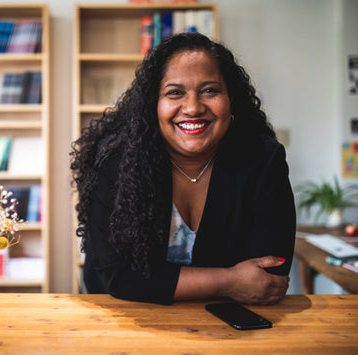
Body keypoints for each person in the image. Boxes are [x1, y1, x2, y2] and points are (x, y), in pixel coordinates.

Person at [70, 32, 296, 306]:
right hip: (123, 315)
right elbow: (119, 277)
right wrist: (229, 280)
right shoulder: (118, 161)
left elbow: (269, 275)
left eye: (210, 90)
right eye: (175, 93)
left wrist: (163, 282)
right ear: (152, 104)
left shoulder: (262, 159)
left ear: (231, 99)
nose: (192, 107)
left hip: (225, 323)